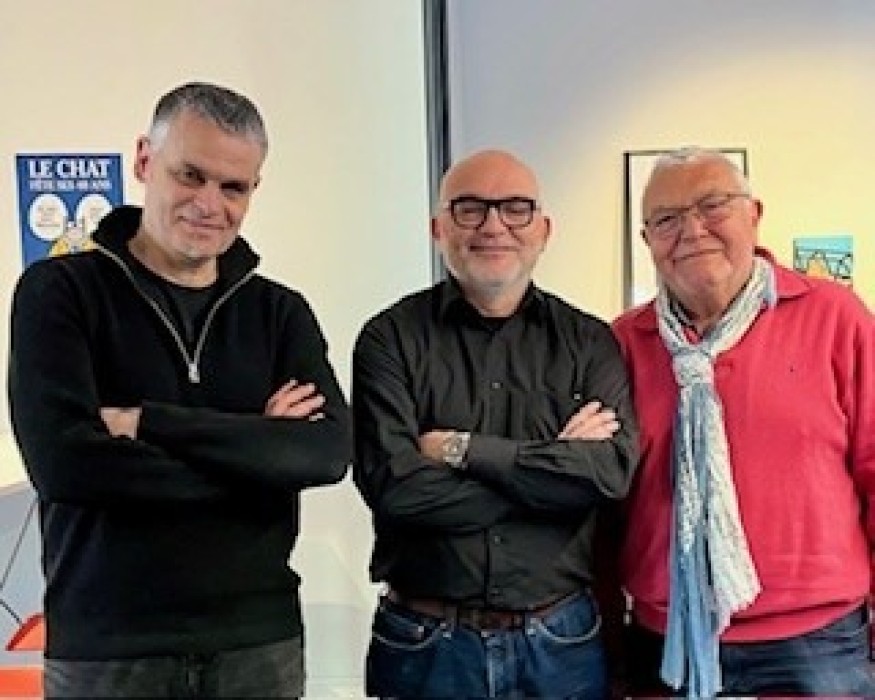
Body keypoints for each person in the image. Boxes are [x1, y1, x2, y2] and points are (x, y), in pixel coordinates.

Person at [8, 82, 351, 698]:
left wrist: (146, 424)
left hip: (258, 645)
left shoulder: (279, 313)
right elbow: (67, 467)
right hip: (108, 651)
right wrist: (258, 451)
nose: (208, 203)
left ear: (254, 189)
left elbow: (324, 455)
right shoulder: (59, 293)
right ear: (145, 160)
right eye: (190, 175)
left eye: (233, 187)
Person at [352, 149, 638, 699]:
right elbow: (396, 490)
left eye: (515, 208)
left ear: (544, 229)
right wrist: (551, 472)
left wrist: (463, 452)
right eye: (470, 208)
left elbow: (608, 475)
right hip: (425, 643)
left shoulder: (590, 341)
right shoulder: (389, 339)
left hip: (560, 642)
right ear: (438, 228)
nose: (493, 225)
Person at [611, 146, 875, 697]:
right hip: (667, 642)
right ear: (647, 240)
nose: (692, 230)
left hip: (819, 644)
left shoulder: (836, 317)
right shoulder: (621, 343)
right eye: (667, 218)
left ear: (754, 214)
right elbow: (603, 503)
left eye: (712, 205)